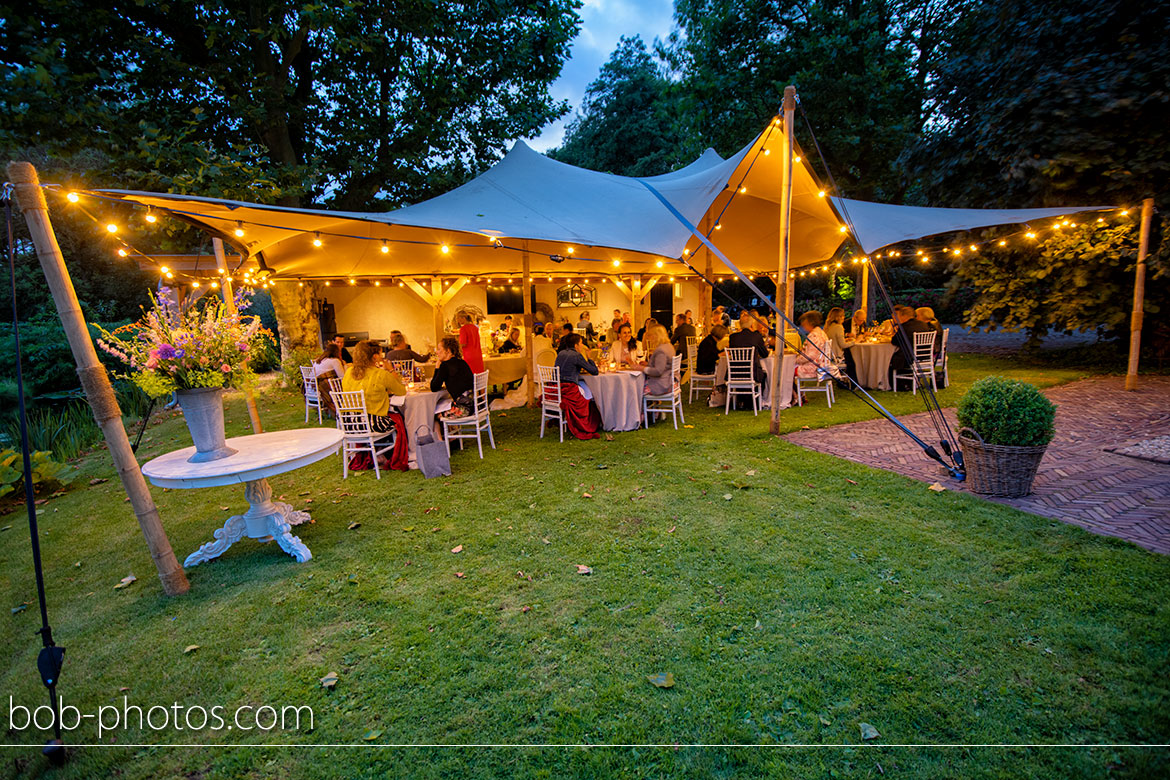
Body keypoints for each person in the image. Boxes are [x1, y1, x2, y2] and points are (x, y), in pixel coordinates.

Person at [341, 340, 409, 469]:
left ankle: (377, 454)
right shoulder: (380, 374)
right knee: (398, 418)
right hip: (373, 424)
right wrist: (391, 370)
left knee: (384, 415)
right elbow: (401, 390)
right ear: (375, 356)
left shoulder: (348, 373)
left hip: (350, 424)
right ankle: (391, 454)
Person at [553, 333, 602, 439]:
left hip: (556, 388)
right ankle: (591, 422)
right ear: (576, 345)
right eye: (581, 343)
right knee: (589, 393)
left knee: (585, 387)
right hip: (568, 389)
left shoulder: (561, 353)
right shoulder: (576, 356)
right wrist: (589, 357)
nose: (582, 346)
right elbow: (594, 371)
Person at [888, 305, 935, 387]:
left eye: (899, 316)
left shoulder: (905, 326)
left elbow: (895, 341)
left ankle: (895, 383)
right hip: (925, 355)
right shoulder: (924, 325)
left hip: (910, 357)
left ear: (904, 316)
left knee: (890, 358)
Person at [431, 335, 475, 418]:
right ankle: (453, 431)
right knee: (443, 405)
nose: (437, 352)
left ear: (447, 351)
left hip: (463, 409)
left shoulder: (445, 366)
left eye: (439, 349)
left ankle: (439, 431)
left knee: (432, 415)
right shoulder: (462, 362)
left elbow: (434, 387)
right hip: (475, 406)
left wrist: (437, 368)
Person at [728, 310, 768, 383]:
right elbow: (765, 354)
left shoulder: (732, 337)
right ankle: (759, 394)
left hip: (735, 373)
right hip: (753, 374)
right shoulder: (756, 336)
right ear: (752, 324)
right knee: (764, 375)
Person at [794, 310, 835, 382]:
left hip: (814, 369)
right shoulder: (821, 333)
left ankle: (793, 393)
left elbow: (810, 355)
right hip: (821, 366)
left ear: (809, 322)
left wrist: (796, 360)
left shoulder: (814, 336)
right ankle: (796, 393)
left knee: (787, 370)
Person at [311, 342, 345, 418]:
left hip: (314, 388)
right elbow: (342, 376)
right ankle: (342, 408)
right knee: (344, 386)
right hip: (326, 388)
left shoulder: (318, 361)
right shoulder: (334, 361)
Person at [641, 325, 676, 396]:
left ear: (656, 336)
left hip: (660, 385)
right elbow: (664, 365)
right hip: (670, 381)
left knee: (635, 388)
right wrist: (648, 364)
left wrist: (643, 368)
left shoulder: (661, 351)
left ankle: (637, 406)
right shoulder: (669, 346)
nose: (649, 338)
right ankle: (650, 405)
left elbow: (658, 371)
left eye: (650, 335)